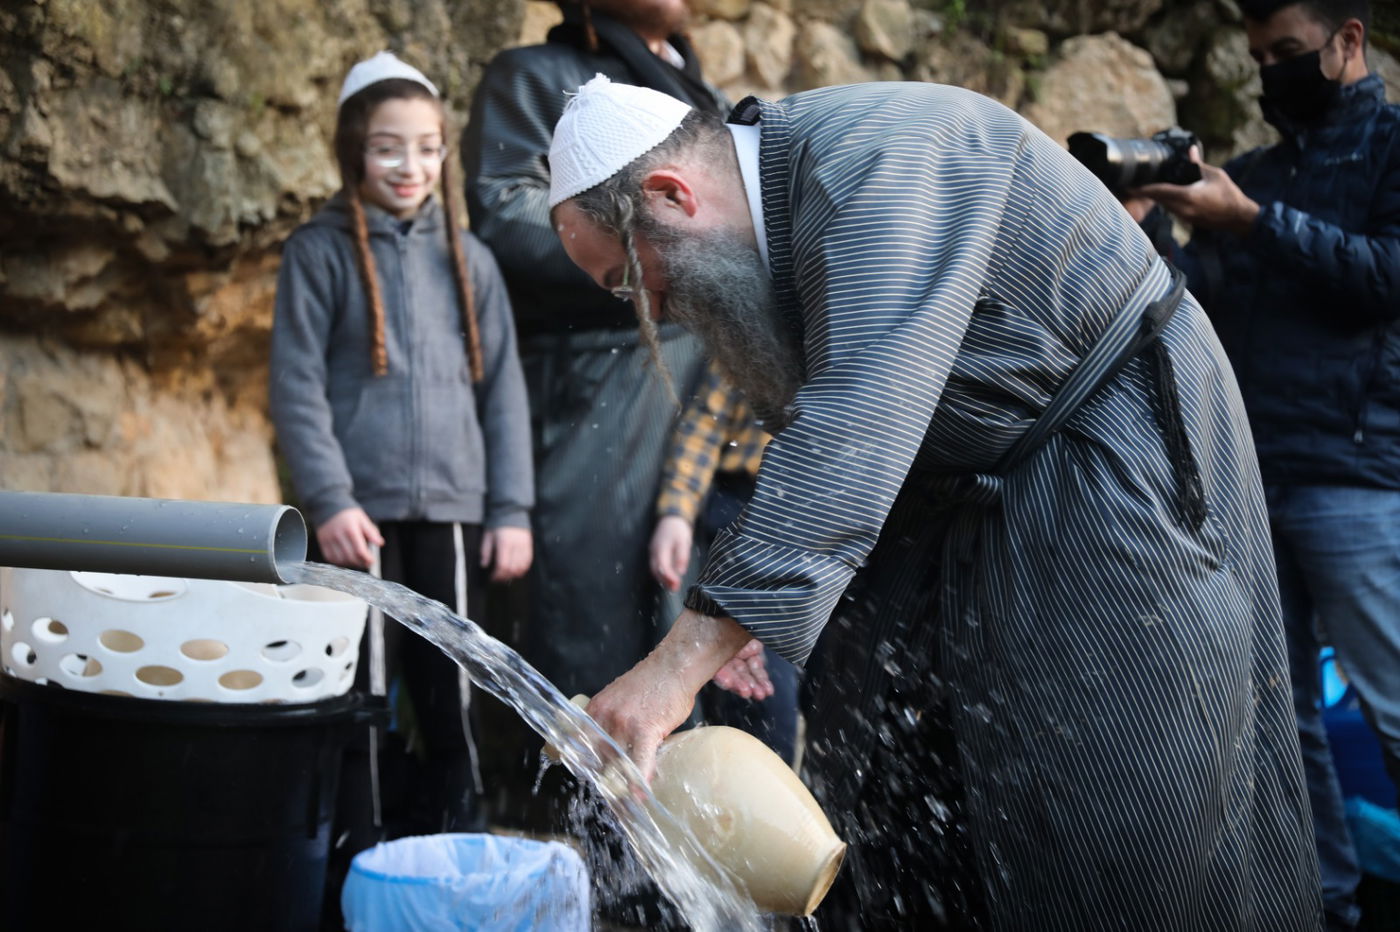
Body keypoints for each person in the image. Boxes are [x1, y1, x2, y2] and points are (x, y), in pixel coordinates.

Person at [546, 75, 1325, 929]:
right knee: (883, 768)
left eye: (630, 279)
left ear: (670, 194)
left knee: (1115, 792)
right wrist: (736, 625)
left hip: (1105, 471)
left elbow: (858, 418)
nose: (650, 308)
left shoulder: (872, 159)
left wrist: (677, 664)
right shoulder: (774, 221)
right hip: (955, 502)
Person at [1128, 2, 1400, 927]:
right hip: (1251, 474)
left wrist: (1252, 221)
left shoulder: (1392, 150)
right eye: (1259, 58)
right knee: (1283, 719)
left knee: (1393, 705)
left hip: (1355, 476)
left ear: (1349, 42)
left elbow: (1383, 276)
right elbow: (1195, 302)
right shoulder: (1257, 174)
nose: (1271, 72)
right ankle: (1328, 904)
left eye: (1289, 53)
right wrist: (1150, 222)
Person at [268, 50, 533, 908]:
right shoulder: (318, 254)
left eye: (426, 149)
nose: (410, 167)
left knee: (450, 699)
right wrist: (332, 500)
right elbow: (296, 389)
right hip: (359, 522)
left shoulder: (472, 262)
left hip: (454, 515)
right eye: (389, 149)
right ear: (354, 151)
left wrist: (511, 508)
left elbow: (504, 396)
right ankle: (360, 882)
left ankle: (456, 877)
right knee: (368, 705)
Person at [460, 0, 724, 825]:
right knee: (584, 597)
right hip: (586, 383)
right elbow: (503, 213)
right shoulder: (532, 76)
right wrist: (638, 252)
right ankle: (561, 825)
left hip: (691, 381)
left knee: (680, 588)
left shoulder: (689, 81)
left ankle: (673, 830)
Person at [649, 358, 800, 763]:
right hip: (742, 509)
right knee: (761, 697)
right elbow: (702, 425)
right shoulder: (747, 334)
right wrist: (677, 514)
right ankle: (742, 792)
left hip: (834, 518)